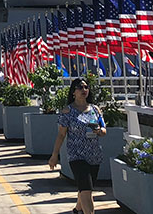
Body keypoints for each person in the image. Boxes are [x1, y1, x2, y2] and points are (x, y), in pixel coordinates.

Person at [48, 77, 107, 214]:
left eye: (86, 87)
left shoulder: (95, 109)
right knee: (86, 190)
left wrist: (100, 131)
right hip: (77, 155)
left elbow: (104, 129)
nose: (84, 90)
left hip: (94, 155)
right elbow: (61, 135)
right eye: (80, 87)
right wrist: (54, 155)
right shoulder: (67, 112)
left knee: (86, 188)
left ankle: (77, 209)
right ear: (73, 92)